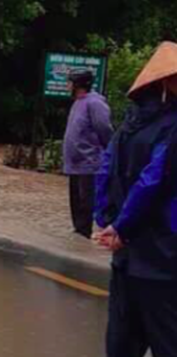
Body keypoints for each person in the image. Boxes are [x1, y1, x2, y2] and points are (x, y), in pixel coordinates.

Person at [94, 41, 177, 357]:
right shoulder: (172, 127)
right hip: (162, 258)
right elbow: (154, 180)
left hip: (125, 257)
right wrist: (122, 226)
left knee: (121, 354)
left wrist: (109, 222)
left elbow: (104, 171)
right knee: (171, 352)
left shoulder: (128, 125)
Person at [63, 68, 114, 238]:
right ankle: (78, 236)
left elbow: (104, 129)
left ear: (78, 84)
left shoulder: (95, 103)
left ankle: (84, 234)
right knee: (75, 202)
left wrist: (108, 153)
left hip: (89, 161)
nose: (67, 85)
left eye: (69, 82)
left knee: (86, 202)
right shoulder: (78, 102)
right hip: (75, 162)